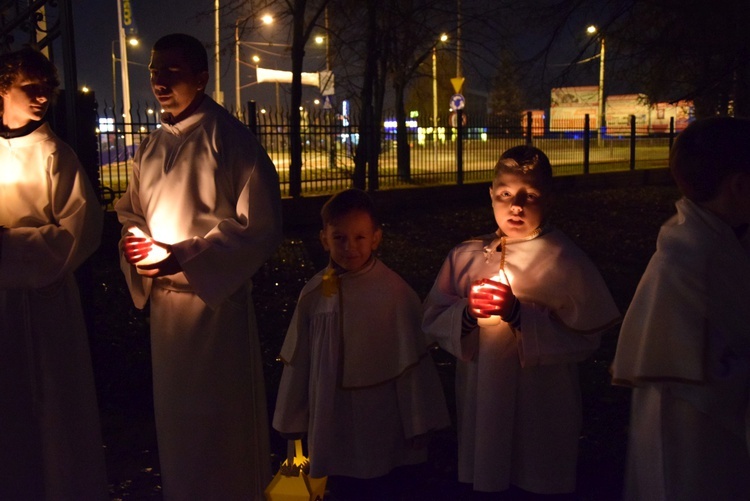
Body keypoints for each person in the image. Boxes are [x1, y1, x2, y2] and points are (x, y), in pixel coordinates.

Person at [115, 33, 283, 499]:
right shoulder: (149, 146)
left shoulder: (230, 140)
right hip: (167, 318)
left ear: (202, 76)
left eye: (172, 71)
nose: (160, 81)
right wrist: (136, 244)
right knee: (178, 425)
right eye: (154, 70)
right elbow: (130, 211)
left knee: (219, 425)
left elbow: (259, 226)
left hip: (215, 311)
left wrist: (184, 258)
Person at [422, 145, 621, 497]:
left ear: (550, 199)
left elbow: (585, 337)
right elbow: (434, 316)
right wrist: (467, 315)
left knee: (534, 470)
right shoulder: (466, 255)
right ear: (491, 195)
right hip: (482, 391)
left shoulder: (564, 260)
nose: (516, 205)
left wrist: (519, 316)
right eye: (506, 193)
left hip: (541, 399)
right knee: (487, 464)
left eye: (530, 195)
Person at [273, 188, 450, 500]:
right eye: (339, 237)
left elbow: (411, 364)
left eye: (359, 237)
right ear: (324, 239)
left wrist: (418, 422)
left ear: (376, 238)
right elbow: (298, 359)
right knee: (341, 485)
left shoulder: (395, 294)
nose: (349, 247)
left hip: (380, 416)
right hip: (332, 414)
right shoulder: (315, 294)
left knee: (383, 481)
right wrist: (291, 417)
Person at [611, 117, 750, 500]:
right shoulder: (688, 261)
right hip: (691, 429)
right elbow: (707, 368)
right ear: (738, 185)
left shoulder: (722, 240)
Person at [0, 47, 107, 499]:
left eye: (48, 89)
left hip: (46, 306)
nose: (43, 97)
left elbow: (80, 231)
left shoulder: (55, 156)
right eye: (32, 88)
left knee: (53, 408)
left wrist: (8, 246)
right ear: (3, 89)